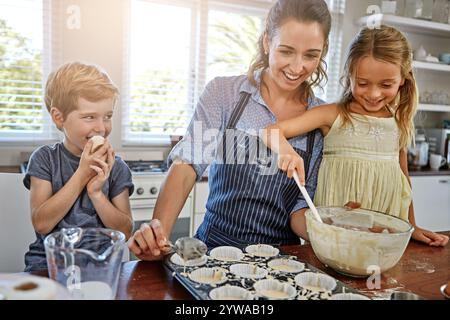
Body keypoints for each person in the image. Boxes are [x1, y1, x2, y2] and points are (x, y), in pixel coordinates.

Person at [128, 0, 334, 260]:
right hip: (213, 252)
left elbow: (301, 208)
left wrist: (334, 230)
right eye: (286, 51)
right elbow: (187, 165)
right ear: (267, 42)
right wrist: (158, 235)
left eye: (311, 55)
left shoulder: (321, 119)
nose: (296, 67)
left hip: (281, 262)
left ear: (323, 51)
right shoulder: (224, 94)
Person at [263, 25, 448, 247]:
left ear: (403, 79)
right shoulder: (333, 115)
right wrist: (286, 152)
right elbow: (271, 131)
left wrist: (412, 226)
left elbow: (403, 183)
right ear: (349, 76)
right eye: (362, 83)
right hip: (336, 235)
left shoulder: (399, 121)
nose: (373, 94)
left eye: (386, 84)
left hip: (384, 234)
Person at [23, 62, 135, 271]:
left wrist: (96, 194)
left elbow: (125, 231)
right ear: (59, 118)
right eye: (89, 117)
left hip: (102, 265)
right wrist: (82, 175)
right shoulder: (45, 159)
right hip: (49, 264)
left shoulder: (116, 167)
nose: (102, 128)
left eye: (107, 116)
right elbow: (42, 223)